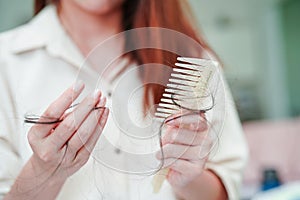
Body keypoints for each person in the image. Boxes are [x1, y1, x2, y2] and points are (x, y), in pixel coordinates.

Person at [0, 0, 248, 199]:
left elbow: (226, 188)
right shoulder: (6, 62)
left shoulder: (192, 59)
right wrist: (44, 172)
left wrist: (191, 179)